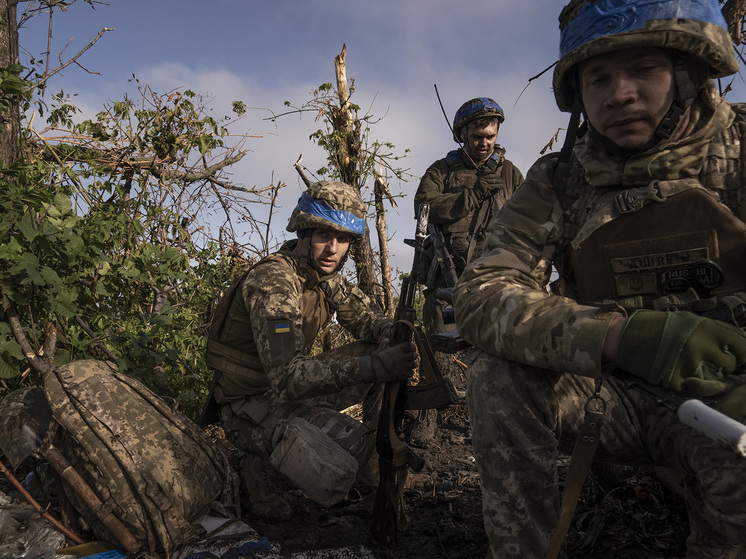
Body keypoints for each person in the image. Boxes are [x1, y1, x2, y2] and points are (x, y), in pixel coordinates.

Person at [452, 1, 746, 557]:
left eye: (644, 70)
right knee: (497, 376)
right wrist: (618, 337)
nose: (620, 94)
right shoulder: (560, 179)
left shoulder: (739, 150)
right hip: (615, 396)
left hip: (728, 400)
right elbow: (481, 293)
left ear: (688, 73)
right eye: (599, 78)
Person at [202, 180, 416, 519]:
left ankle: (376, 442)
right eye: (323, 236)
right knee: (352, 463)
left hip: (287, 391)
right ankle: (259, 476)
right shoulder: (274, 281)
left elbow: (366, 319)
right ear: (303, 234)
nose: (333, 248)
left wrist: (393, 332)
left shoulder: (322, 275)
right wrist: (373, 367)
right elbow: (289, 378)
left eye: (343, 239)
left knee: (374, 457)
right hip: (249, 406)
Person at [414, 97, 523, 336]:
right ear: (463, 134)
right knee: (443, 358)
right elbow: (423, 207)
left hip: (500, 284)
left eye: (490, 137)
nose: (484, 143)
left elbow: (529, 223)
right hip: (447, 284)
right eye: (477, 137)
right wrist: (472, 195)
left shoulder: (511, 174)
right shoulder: (441, 171)